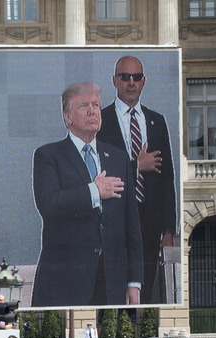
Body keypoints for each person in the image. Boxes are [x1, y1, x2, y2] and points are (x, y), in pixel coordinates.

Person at [31, 82, 143, 307]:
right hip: (64, 282)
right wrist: (95, 191)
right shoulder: (49, 155)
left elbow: (132, 225)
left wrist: (134, 281)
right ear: (68, 117)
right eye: (84, 106)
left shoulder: (119, 159)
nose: (93, 111)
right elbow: (49, 204)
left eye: (96, 105)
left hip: (111, 280)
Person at [98, 55, 178, 304]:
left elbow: (167, 178)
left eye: (136, 77)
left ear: (144, 82)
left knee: (146, 284)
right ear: (114, 81)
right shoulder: (101, 121)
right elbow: (98, 171)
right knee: (116, 285)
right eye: (125, 77)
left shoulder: (157, 121)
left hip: (150, 221)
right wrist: (136, 166)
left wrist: (168, 229)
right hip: (115, 218)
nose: (131, 82)